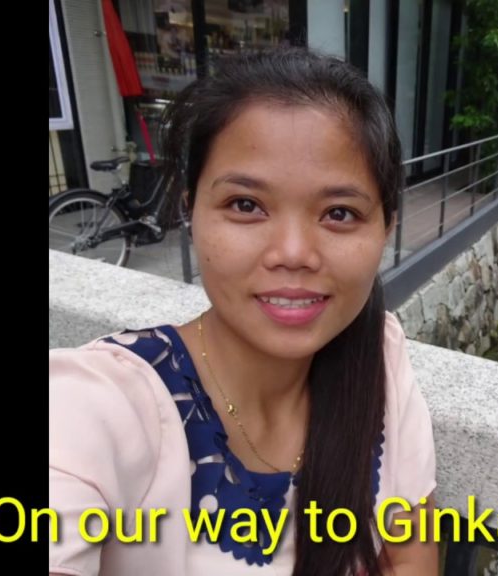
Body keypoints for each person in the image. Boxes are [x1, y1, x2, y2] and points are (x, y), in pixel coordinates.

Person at [49, 47, 437, 576]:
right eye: (246, 205)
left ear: (386, 229)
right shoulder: (95, 407)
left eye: (340, 213)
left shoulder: (380, 356)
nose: (294, 253)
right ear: (191, 211)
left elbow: (411, 555)